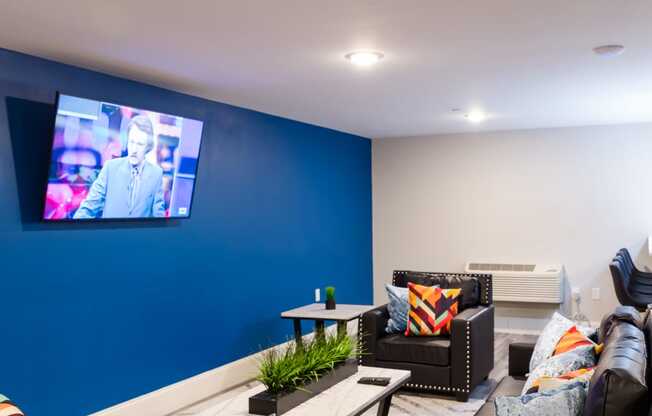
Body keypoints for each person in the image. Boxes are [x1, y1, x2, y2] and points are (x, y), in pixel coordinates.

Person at [74, 115, 165, 218]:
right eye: (132, 142)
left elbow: (158, 217)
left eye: (140, 144)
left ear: (148, 147)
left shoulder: (156, 174)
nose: (134, 149)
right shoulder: (110, 168)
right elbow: (88, 208)